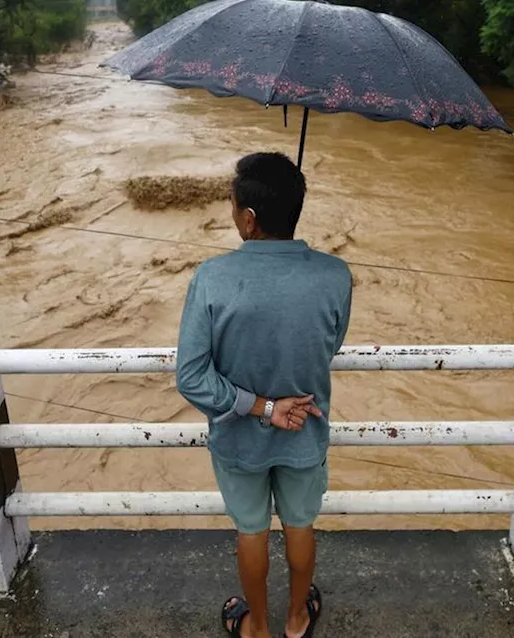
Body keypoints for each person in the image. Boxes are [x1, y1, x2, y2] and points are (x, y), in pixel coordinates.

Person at [176, 152, 352, 638]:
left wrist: (261, 407)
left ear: (249, 220)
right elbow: (328, 346)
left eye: (233, 206)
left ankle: (256, 625)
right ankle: (297, 620)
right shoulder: (335, 275)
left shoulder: (212, 277)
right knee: (300, 525)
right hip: (306, 429)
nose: (232, 214)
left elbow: (190, 377)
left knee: (251, 531)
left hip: (239, 439)